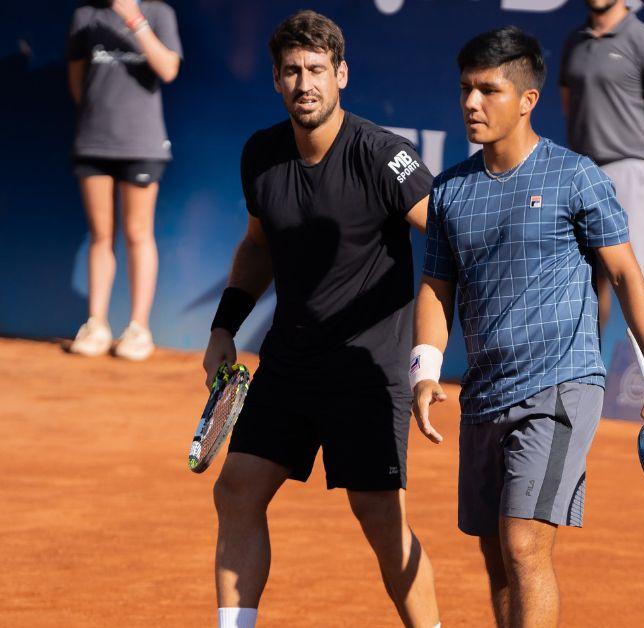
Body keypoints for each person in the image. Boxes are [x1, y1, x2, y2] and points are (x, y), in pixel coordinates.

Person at [410, 27, 644, 628]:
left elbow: (626, 274)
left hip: (560, 386)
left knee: (524, 546)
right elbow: (437, 285)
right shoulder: (451, 192)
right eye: (465, 89)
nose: (471, 103)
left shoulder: (576, 177)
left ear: (529, 99)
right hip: (483, 394)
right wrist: (425, 368)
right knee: (495, 553)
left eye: (488, 90)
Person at [202, 11, 440, 628]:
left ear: (341, 75)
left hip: (366, 372)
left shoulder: (385, 156)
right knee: (236, 491)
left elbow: (447, 239)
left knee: (382, 520)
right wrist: (223, 328)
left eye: (316, 70)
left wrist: (429, 355)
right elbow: (258, 248)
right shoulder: (261, 155)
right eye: (291, 71)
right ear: (276, 82)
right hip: (290, 362)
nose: (304, 83)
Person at [560, 0, 644, 344]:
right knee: (589, 280)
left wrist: (634, 137)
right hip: (582, 173)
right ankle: (582, 377)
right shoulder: (575, 41)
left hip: (630, 168)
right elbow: (570, 104)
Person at [66, 0, 182, 360]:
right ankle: (96, 324)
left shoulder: (160, 13)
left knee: (137, 233)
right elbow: (77, 83)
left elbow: (168, 69)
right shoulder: (85, 16)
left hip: (142, 144)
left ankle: (138, 329)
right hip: (94, 142)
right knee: (101, 235)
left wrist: (132, 18)